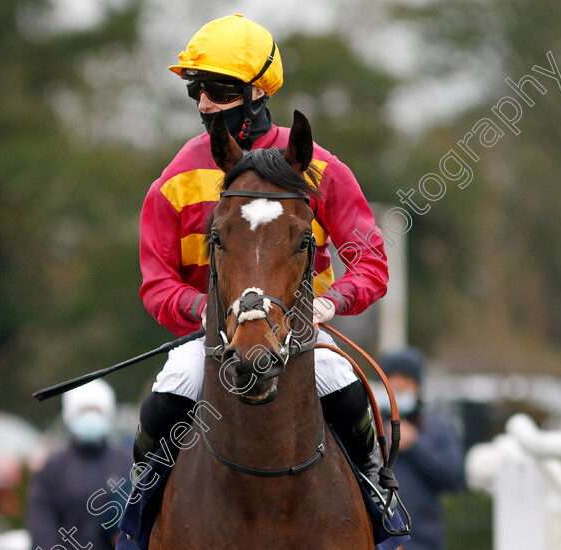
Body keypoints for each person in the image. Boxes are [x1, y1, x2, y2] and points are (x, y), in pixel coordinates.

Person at [134, 14, 391, 501]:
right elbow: (157, 284)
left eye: (218, 89)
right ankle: (136, 513)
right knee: (169, 392)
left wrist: (328, 303)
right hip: (216, 340)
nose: (205, 103)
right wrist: (204, 311)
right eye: (196, 91)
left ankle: (377, 495)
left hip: (300, 334)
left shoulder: (321, 170)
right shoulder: (171, 184)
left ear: (257, 93)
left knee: (340, 379)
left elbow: (371, 264)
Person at [27, 380, 133, 550]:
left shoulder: (127, 464)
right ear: (70, 416)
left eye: (96, 411)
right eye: (84, 412)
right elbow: (41, 526)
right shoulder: (53, 469)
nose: (90, 418)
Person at [378, 348, 467, 550]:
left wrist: (415, 445)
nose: (398, 386)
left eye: (405, 379)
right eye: (392, 379)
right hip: (378, 541)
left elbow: (455, 478)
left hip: (423, 542)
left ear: (417, 385)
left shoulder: (438, 427)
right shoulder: (371, 426)